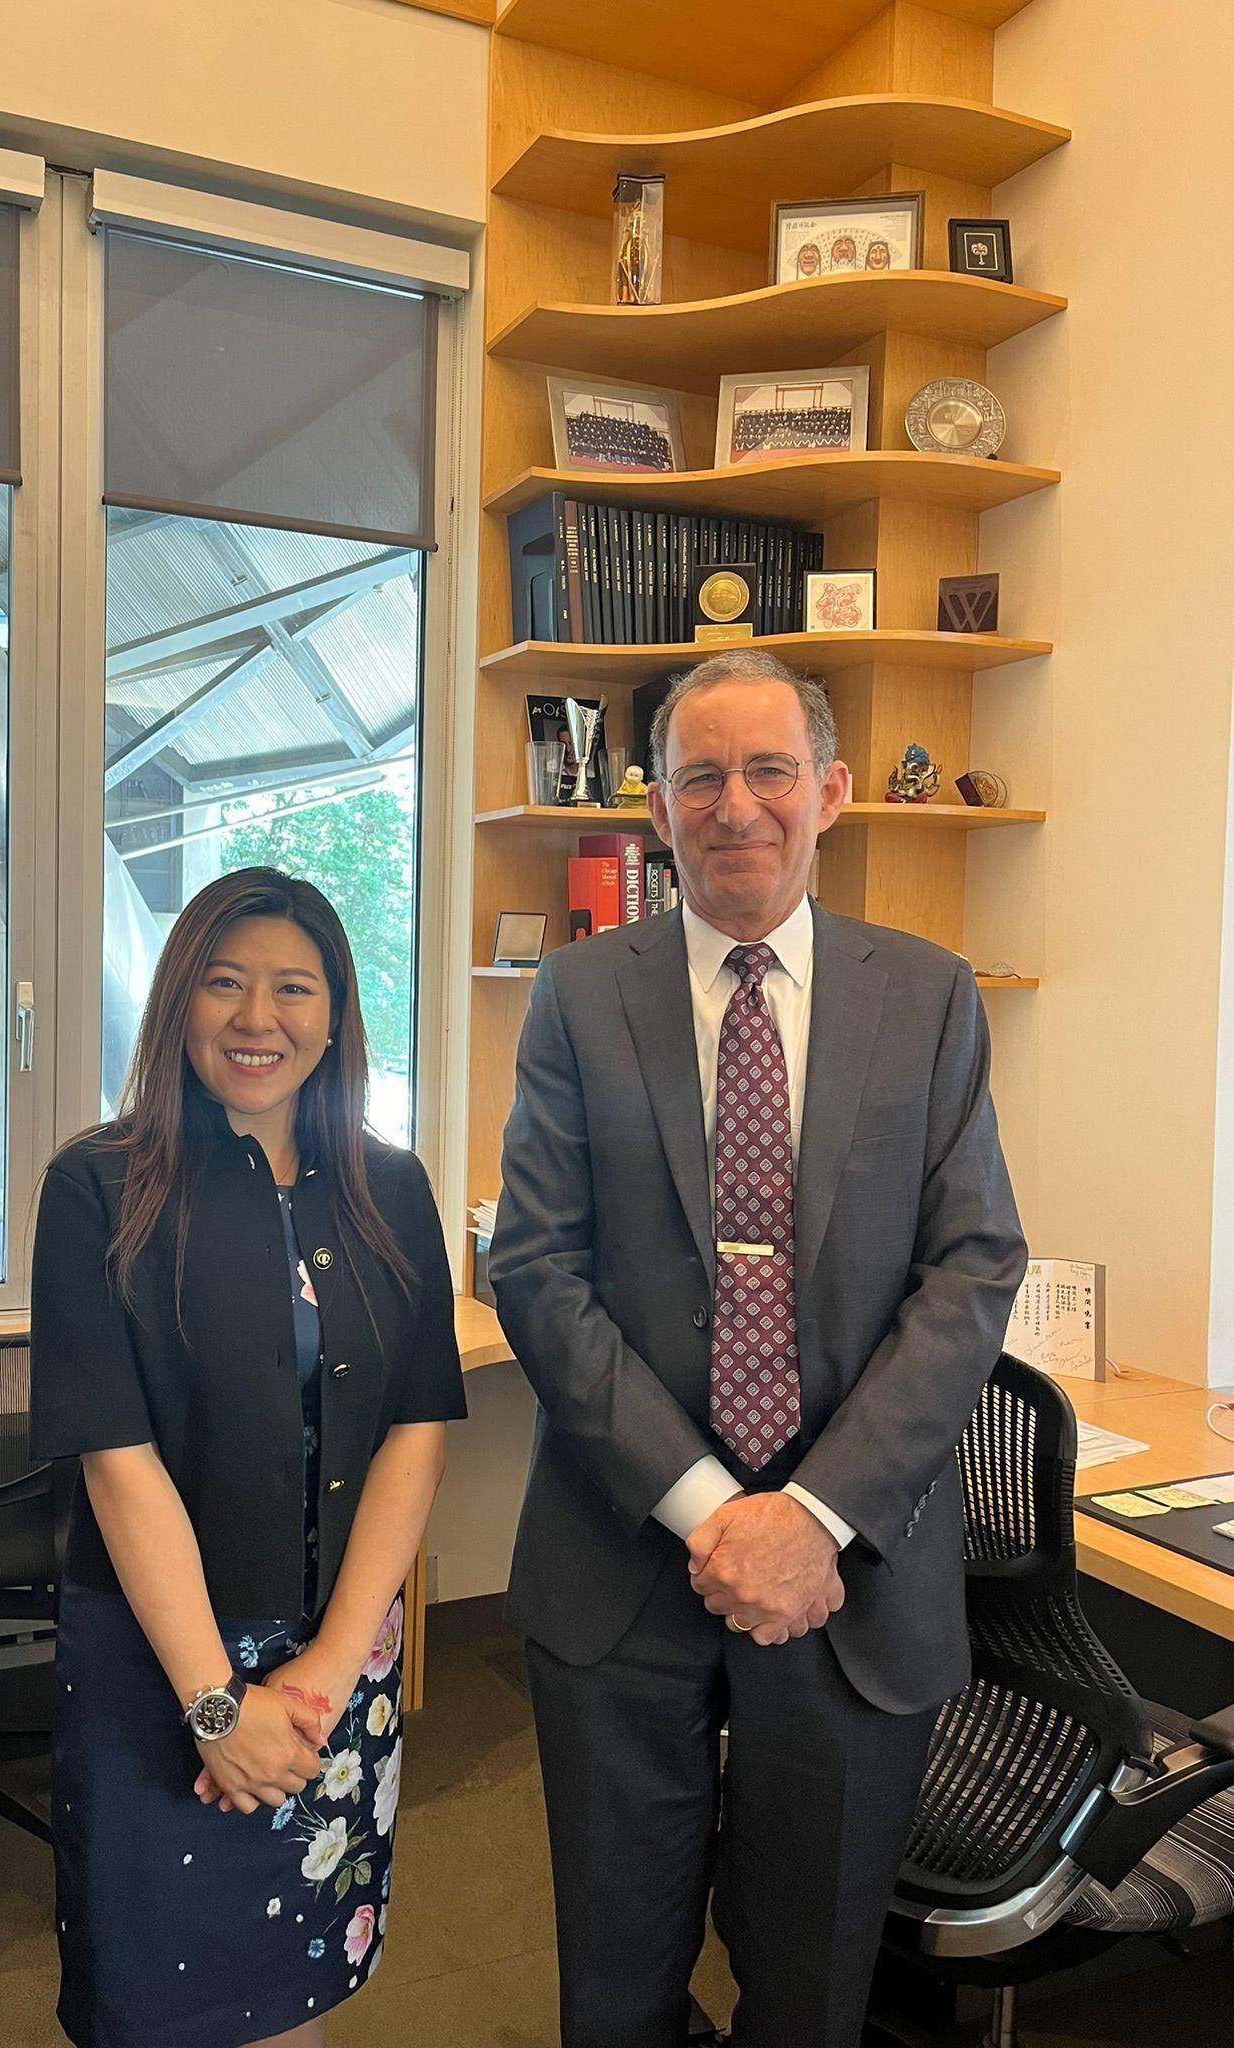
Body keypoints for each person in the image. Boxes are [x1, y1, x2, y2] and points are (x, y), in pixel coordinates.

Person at [491, 650, 1026, 2048]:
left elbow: (972, 1266)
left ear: (832, 791)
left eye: (769, 769)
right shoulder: (579, 996)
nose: (737, 806)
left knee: (813, 1990)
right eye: (700, 777)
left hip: (850, 1577)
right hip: (620, 1557)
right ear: (656, 808)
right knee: (615, 1987)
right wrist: (716, 1512)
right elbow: (535, 1270)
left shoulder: (926, 996)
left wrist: (812, 1516)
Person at [30, 867, 466, 2048]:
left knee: (294, 1978)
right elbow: (120, 1466)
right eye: (223, 983)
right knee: (167, 1987)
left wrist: (323, 1669)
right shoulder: (98, 1186)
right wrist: (218, 1704)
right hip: (163, 1660)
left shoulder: (392, 1184)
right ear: (177, 1002)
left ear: (334, 1013)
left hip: (337, 1660)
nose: (256, 1017)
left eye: (292, 987)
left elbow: (415, 1428)